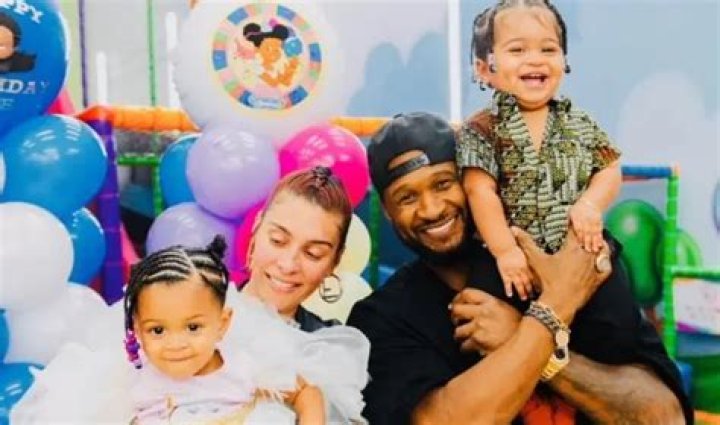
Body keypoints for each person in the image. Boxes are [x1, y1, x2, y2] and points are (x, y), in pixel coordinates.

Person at [346, 112, 692, 424]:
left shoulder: (570, 255)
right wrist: (555, 308)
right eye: (407, 198)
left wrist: (532, 345)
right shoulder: (382, 319)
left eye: (443, 183)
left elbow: (665, 418)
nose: (432, 209)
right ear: (388, 213)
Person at [13, 167, 370, 424]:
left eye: (313, 253)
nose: (288, 264)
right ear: (257, 230)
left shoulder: (326, 354)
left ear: (335, 261)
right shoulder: (178, 306)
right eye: (278, 240)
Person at [457, 0, 622, 302]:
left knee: (617, 316)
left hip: (578, 252)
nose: (535, 60)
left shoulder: (579, 122)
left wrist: (590, 205)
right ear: (484, 69)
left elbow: (609, 168)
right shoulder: (481, 129)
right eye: (517, 50)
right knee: (484, 309)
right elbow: (479, 191)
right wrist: (505, 251)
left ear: (564, 61)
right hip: (513, 261)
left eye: (548, 49)